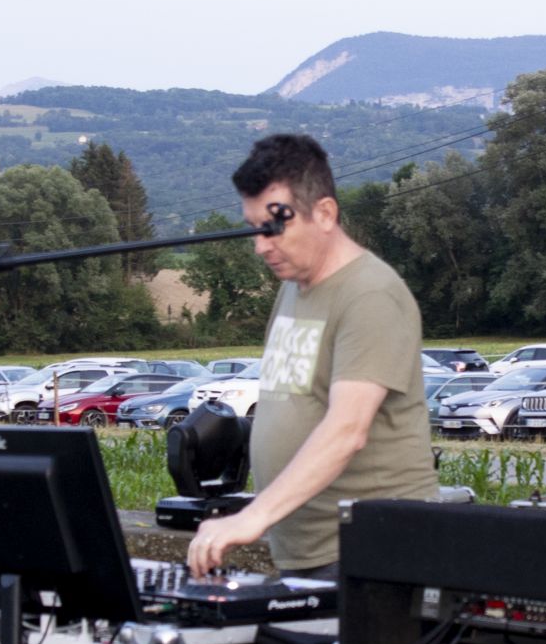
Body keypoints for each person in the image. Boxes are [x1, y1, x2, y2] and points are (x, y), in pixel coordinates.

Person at [185, 134, 436, 577]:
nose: (261, 246)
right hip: (307, 554)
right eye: (254, 229)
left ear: (324, 213)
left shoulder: (370, 295)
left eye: (273, 227)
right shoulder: (292, 289)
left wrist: (254, 516)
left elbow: (347, 431)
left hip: (374, 554)